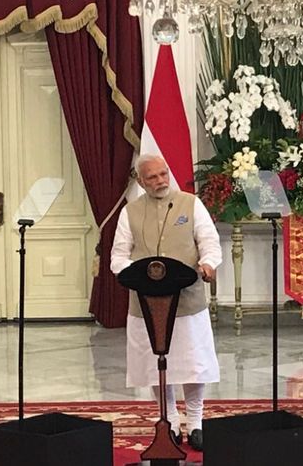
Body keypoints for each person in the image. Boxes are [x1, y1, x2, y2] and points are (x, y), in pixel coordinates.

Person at [110, 154, 221, 452]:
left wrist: (208, 264)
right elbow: (118, 257)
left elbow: (209, 243)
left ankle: (196, 422)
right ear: (140, 181)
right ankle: (169, 420)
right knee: (156, 364)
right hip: (146, 305)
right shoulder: (130, 212)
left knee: (192, 364)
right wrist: (130, 275)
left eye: (164, 174)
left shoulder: (190, 203)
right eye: (153, 177)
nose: (160, 181)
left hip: (187, 301)